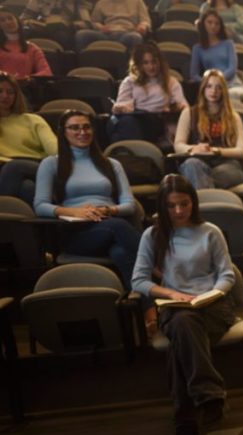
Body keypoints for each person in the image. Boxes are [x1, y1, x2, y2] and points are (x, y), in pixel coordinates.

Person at [131, 174, 235, 435]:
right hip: (175, 306)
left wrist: (211, 294)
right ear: (163, 207)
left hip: (212, 305)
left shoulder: (210, 232)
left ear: (194, 202)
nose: (178, 211)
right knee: (183, 323)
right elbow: (139, 280)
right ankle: (209, 395)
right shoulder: (152, 235)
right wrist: (172, 294)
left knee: (182, 330)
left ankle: (186, 418)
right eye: (172, 206)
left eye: (184, 204)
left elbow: (227, 275)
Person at [33, 109, 141, 288]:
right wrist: (75, 211)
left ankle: (144, 308)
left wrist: (107, 210)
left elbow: (129, 205)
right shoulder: (51, 164)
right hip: (78, 232)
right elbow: (40, 206)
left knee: (121, 253)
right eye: (74, 128)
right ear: (64, 132)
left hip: (110, 223)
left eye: (86, 127)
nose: (82, 132)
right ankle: (160, 269)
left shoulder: (112, 164)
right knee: (119, 226)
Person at [174, 69, 243, 190]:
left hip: (226, 164)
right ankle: (210, 201)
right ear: (203, 89)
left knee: (199, 176)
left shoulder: (234, 117)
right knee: (191, 165)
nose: (213, 91)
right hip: (197, 160)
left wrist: (216, 151)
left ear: (224, 91)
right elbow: (178, 145)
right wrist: (194, 148)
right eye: (209, 86)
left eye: (218, 87)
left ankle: (201, 199)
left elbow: (242, 151)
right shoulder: (189, 113)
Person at [109, 41, 189, 145]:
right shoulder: (129, 82)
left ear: (160, 62)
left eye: (154, 62)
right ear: (139, 65)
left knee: (122, 132)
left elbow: (184, 107)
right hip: (136, 119)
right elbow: (122, 105)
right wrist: (122, 108)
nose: (151, 67)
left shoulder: (171, 82)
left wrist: (175, 107)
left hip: (158, 121)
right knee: (125, 123)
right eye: (146, 63)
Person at [0, 72, 57, 204]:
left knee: (14, 167)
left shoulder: (33, 120)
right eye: (0, 91)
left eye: (10, 92)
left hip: (35, 166)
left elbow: (54, 148)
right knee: (27, 188)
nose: (5, 96)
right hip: (4, 169)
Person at [191, 10, 243, 102]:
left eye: (217, 23)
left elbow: (232, 68)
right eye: (209, 22)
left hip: (231, 84)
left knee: (233, 96)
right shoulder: (197, 48)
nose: (213, 26)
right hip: (210, 86)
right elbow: (194, 75)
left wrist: (218, 80)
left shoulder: (228, 44)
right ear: (203, 24)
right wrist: (208, 83)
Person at [75, 0, 151, 53]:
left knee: (135, 37)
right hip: (106, 34)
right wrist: (101, 27)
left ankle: (134, 71)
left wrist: (142, 26)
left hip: (127, 32)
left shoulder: (137, 2)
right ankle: (84, 69)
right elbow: (94, 21)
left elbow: (145, 20)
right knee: (81, 35)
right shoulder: (102, 2)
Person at [20, 0, 92, 52]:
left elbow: (87, 23)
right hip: (42, 28)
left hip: (66, 31)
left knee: (61, 35)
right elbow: (23, 18)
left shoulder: (78, 2)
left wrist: (70, 24)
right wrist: (29, 22)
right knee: (24, 32)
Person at [0, 8, 53, 79]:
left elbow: (46, 72)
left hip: (25, 87)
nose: (8, 22)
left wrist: (27, 79)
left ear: (17, 20)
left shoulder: (32, 48)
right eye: (2, 20)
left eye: (10, 18)